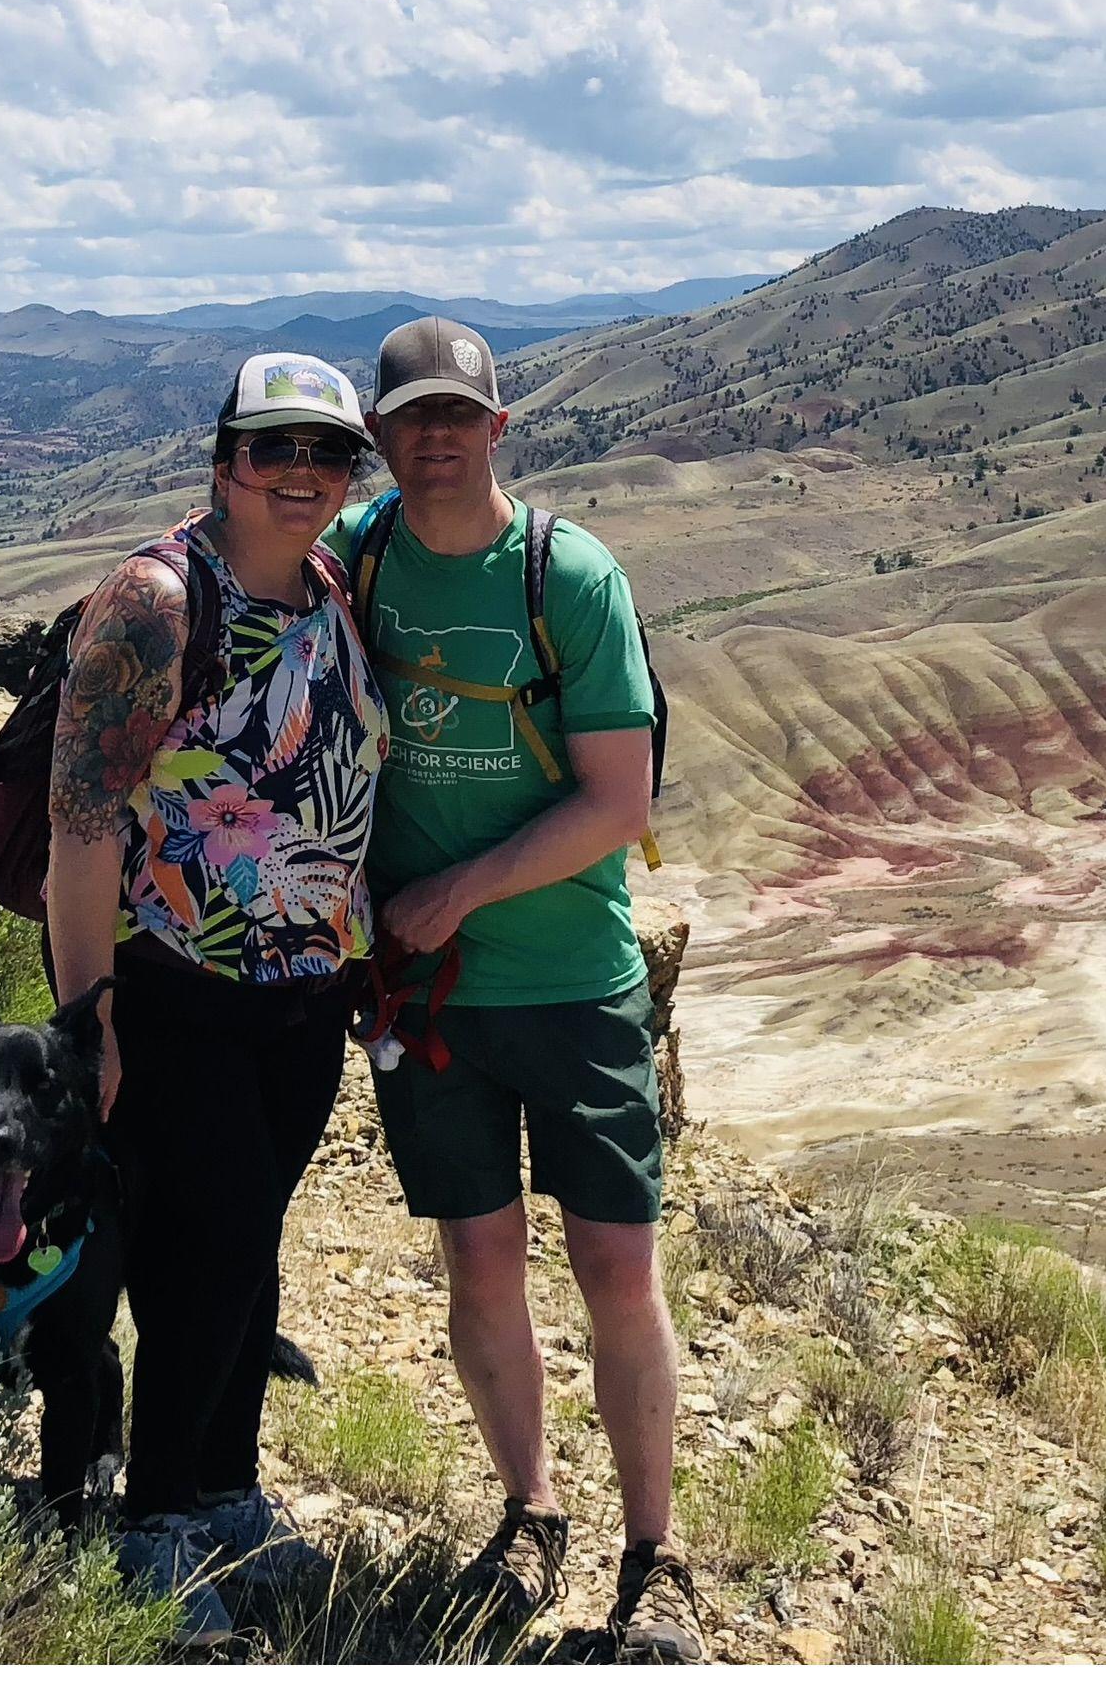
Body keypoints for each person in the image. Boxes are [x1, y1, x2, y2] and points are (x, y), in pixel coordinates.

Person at [325, 317, 702, 1663]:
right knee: (478, 1261)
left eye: (456, 414)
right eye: (409, 415)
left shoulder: (568, 576)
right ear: (381, 433)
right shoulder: (354, 558)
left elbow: (617, 800)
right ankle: (531, 1509)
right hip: (430, 1004)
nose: (433, 435)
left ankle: (653, 1553)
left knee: (614, 1266)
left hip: (571, 980)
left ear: (498, 426)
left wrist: (453, 893)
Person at [46, 352, 389, 1646]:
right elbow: (80, 828)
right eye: (274, 450)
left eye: (328, 454)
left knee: (248, 1252)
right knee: (219, 1243)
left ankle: (227, 1493)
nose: (302, 475)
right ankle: (154, 1525)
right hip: (174, 987)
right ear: (224, 458)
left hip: (304, 998)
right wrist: (91, 1026)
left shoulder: (334, 589)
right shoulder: (153, 601)